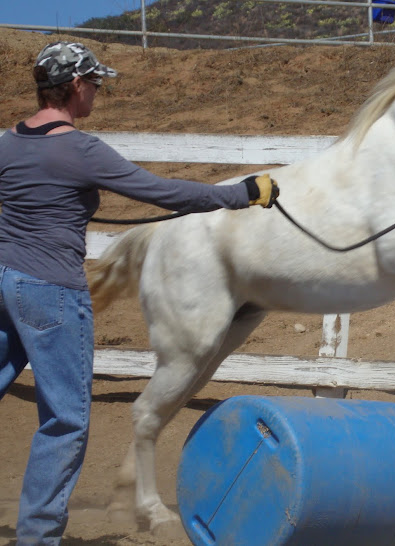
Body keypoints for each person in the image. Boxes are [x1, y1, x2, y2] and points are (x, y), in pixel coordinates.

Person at [0, 41, 279, 544]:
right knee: (65, 422)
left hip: (4, 282)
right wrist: (241, 194)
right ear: (77, 85)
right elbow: (164, 192)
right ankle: (37, 538)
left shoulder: (8, 141)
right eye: (96, 86)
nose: (98, 96)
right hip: (51, 295)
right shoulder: (78, 148)